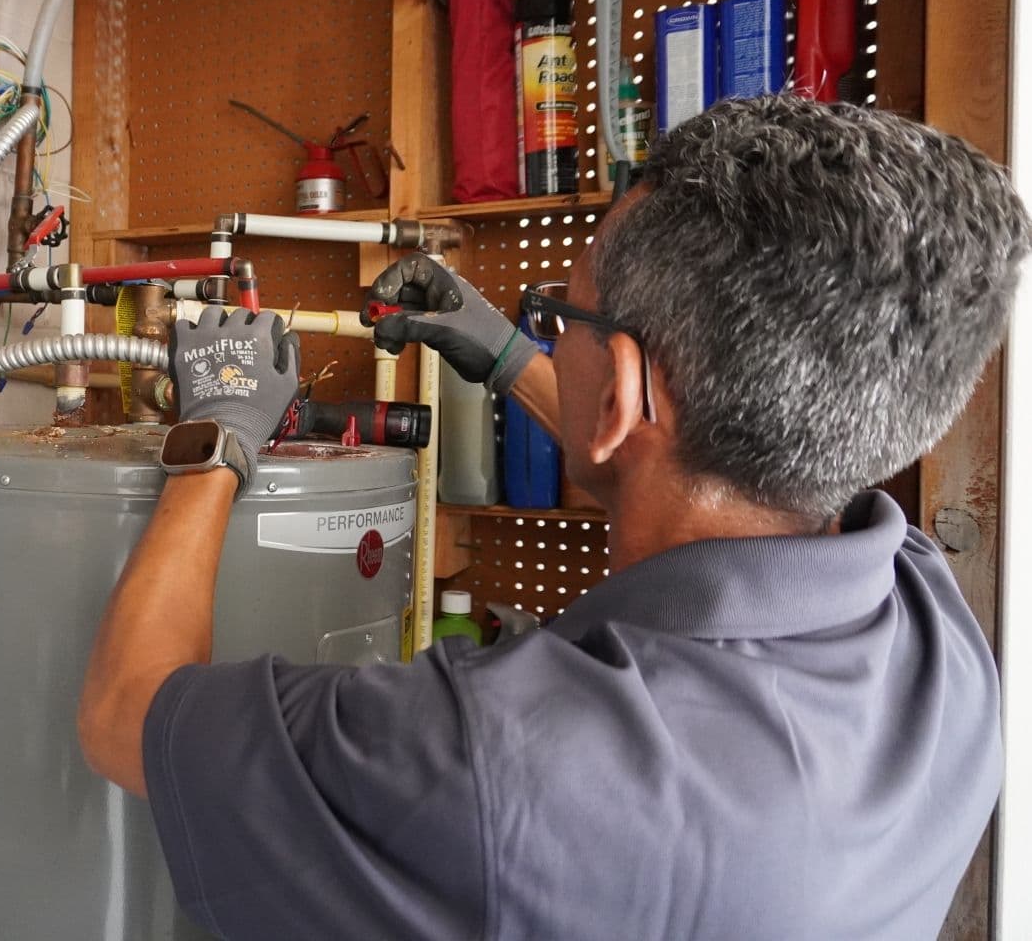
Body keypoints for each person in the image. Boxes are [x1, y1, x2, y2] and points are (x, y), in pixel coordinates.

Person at [76, 94, 1025, 939]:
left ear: (615, 390)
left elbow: (125, 718)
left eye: (561, 318)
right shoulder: (933, 627)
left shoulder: (493, 762)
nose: (549, 335)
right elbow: (661, 447)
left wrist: (218, 437)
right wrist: (502, 354)